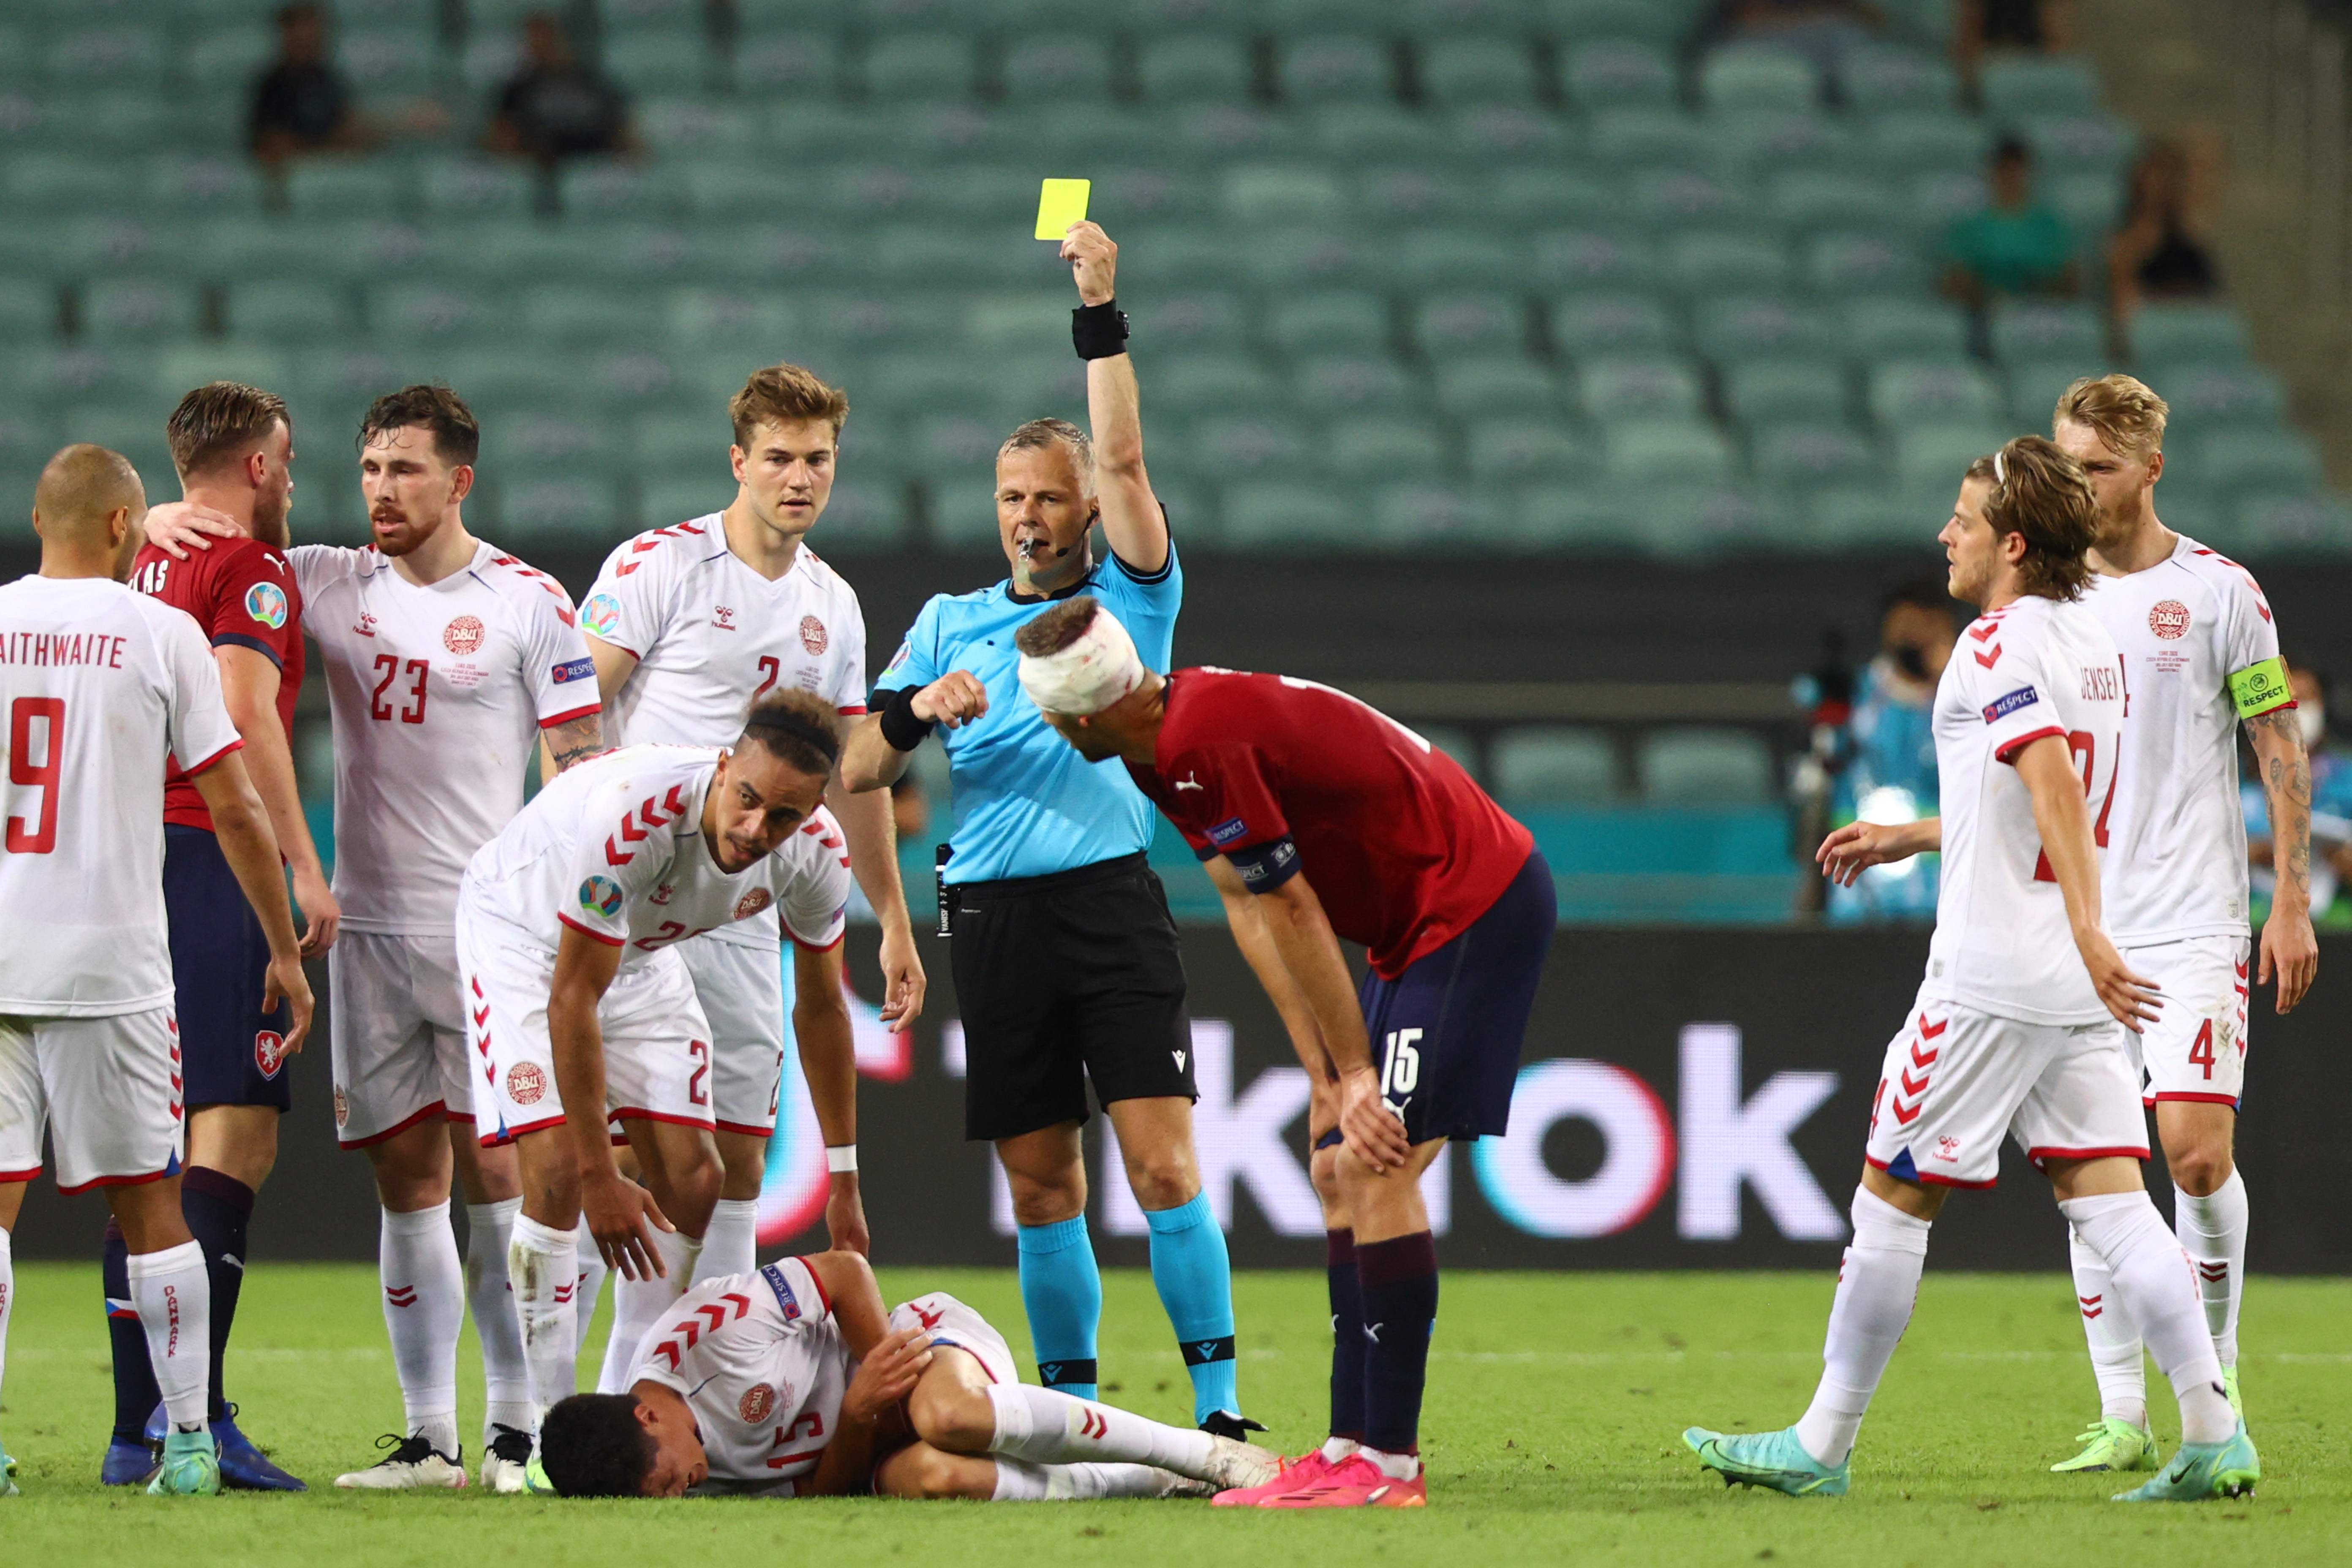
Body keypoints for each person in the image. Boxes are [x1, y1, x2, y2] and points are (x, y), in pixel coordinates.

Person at [1692, 436, 2257, 1504]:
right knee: (2114, 1204)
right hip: (2079, 984)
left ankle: (1820, 1442)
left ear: (2007, 541)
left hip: (1991, 978)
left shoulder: (1994, 644)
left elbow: (2048, 781)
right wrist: (1920, 843)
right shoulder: (2096, 642)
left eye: (1958, 519)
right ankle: (2213, 1429)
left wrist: (2090, 929)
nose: (1940, 536)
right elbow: (2056, 800)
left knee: (1890, 1203)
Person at [140, 384, 613, 1490]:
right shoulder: (323, 582)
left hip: (491, 929)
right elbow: (196, 570)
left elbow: (581, 768)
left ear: (460, 481)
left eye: (404, 470)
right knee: (406, 1178)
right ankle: (427, 1438)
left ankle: (516, 1430)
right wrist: (165, 521)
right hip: (370, 927)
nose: (380, 491)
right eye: (367, 470)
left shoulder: (529, 601)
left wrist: (569, 910)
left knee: (501, 1171)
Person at [840, 223, 1250, 1437]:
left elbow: (1125, 455)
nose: (1030, 516)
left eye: (1050, 498)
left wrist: (1100, 316)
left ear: (1087, 510)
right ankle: (1070, 1421)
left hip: (1112, 901)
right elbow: (858, 765)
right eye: (1013, 497)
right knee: (1042, 1185)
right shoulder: (947, 622)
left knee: (1164, 1167)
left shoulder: (1131, 597)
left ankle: (1220, 1410)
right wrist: (917, 711)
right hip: (999, 919)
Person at [1013, 598, 1552, 1509]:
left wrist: (1357, 1076)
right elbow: (1247, 899)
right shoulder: (1164, 739)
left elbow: (1296, 908)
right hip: (1410, 931)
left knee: (1377, 1163)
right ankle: (1348, 1444)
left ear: (1083, 716)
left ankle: (1389, 1463)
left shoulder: (1199, 747)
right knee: (1339, 1168)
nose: (1056, 734)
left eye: (1056, 720)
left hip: (1470, 906)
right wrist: (1322, 1071)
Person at [577, 364, 923, 1384]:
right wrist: (583, 844)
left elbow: (853, 773)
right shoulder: (661, 564)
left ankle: (680, 1391)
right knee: (625, 1159)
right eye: (778, 456)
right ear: (739, 461)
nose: (799, 477)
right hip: (635, 901)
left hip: (742, 908)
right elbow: (573, 711)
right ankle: (557, 1413)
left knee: (733, 1161)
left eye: (818, 459)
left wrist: (890, 915)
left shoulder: (835, 606)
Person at [0, 444, 313, 1497]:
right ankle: (182, 1443)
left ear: (40, 519)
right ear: (130, 528)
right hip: (112, 964)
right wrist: (280, 941)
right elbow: (231, 802)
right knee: (150, 1201)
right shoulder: (161, 629)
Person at [456, 692, 857, 1460]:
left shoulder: (817, 856)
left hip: (634, 955)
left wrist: (845, 1176)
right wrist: (598, 1172)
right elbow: (571, 996)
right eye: (747, 800)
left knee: (696, 1182)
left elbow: (823, 1010)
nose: (756, 831)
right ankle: (543, 1444)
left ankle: (621, 1414)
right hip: (520, 938)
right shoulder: (633, 815)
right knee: (552, 1177)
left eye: (784, 816)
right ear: (721, 768)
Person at [2046, 374, 2315, 1472]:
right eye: (2066, 465)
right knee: (2093, 1167)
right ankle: (2122, 1413)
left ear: (2152, 470)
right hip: (2078, 923)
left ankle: (2219, 1359)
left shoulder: (2221, 595)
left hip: (2197, 918)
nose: (2078, 485)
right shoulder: (2044, 601)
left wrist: (2290, 896)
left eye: (2098, 468)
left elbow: (2277, 747)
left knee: (2194, 1158)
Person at [106, 384, 337, 1492]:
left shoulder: (143, 563)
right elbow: (245, 724)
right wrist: (299, 865)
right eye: (286, 463)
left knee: (144, 1153)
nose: (293, 481)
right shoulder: (250, 571)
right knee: (231, 1138)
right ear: (256, 466)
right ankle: (183, 1421)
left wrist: (146, 519)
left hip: (127, 860)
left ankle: (131, 1426)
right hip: (208, 857)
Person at [534, 1252, 1281, 1501]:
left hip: (920, 1345)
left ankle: (1200, 1453)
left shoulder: (705, 1332)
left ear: (645, 1417)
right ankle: (1151, 1484)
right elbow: (819, 1495)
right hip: (873, 1434)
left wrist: (876, 1370)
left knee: (943, 1418)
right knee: (924, 1474)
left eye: (665, 1478)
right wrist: (857, 1417)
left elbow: (841, 1270)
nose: (684, 1486)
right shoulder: (693, 1465)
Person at [1828, 579, 1957, 924]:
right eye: (1906, 626)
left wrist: (1953, 679)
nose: (1916, 638)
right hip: (1860, 890)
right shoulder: (1858, 697)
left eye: (1927, 627)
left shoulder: (1964, 697)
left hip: (1939, 891)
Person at [2244, 663, 2352, 925]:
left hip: (2336, 929)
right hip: (2252, 922)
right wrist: (2247, 857)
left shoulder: (2347, 779)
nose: (2296, 709)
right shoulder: (2229, 780)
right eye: (2286, 699)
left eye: (2306, 699)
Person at [1941, 138, 2080, 309]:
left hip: (2038, 313)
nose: (2010, 178)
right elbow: (1954, 281)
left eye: (2016, 171)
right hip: (1983, 315)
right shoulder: (1972, 228)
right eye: (2003, 171)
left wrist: (2035, 294)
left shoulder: (2050, 227)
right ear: (1991, 174)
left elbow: (2071, 280)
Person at [485, 11, 637, 168]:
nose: (536, 47)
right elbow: (502, 138)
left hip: (593, 165)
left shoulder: (592, 82)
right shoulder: (517, 88)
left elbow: (621, 128)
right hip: (539, 168)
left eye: (544, 39)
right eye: (531, 41)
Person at [2109, 142, 2221, 344]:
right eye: (2157, 175)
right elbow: (2123, 305)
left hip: (2190, 329)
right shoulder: (2123, 241)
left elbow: (2207, 296)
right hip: (2150, 332)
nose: (2162, 184)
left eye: (2172, 176)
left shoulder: (2190, 242)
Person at [248, 3, 372, 167]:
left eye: (314, 37)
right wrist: (328, 146)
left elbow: (352, 134)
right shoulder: (272, 85)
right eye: (300, 38)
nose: (307, 41)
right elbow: (273, 146)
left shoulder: (330, 81)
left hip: (330, 171)